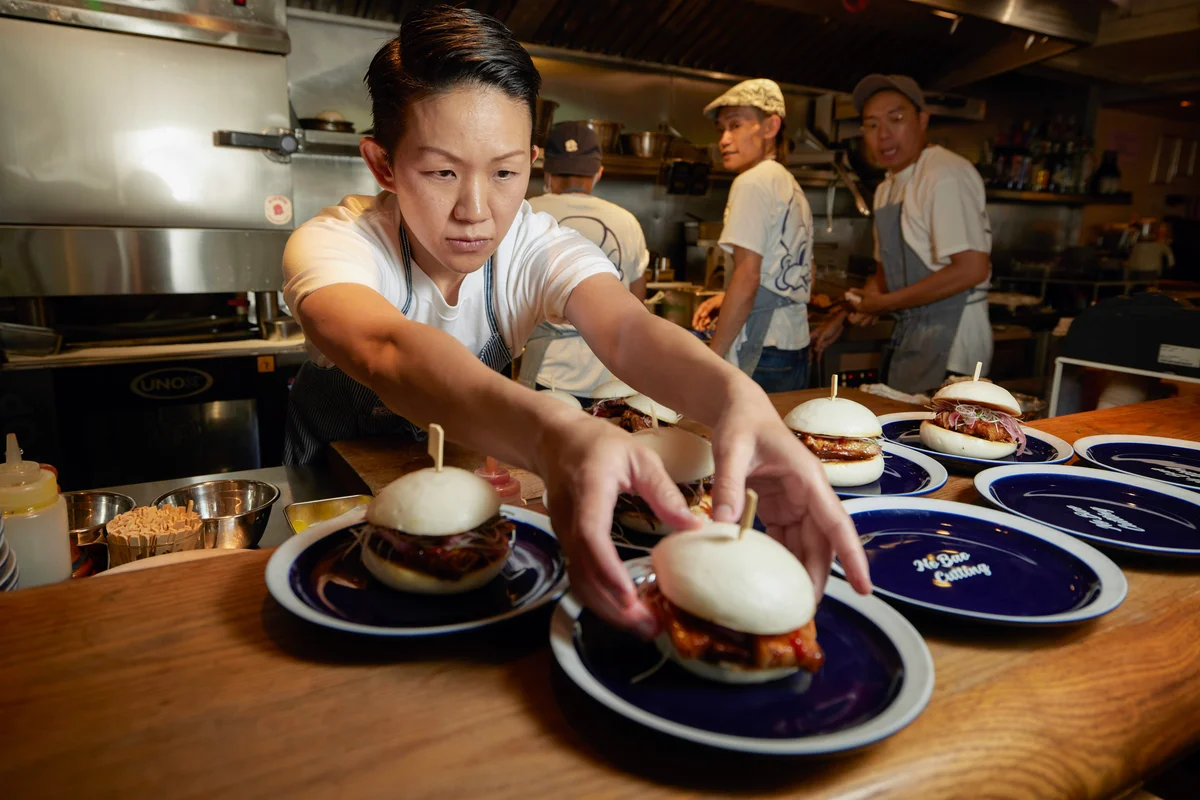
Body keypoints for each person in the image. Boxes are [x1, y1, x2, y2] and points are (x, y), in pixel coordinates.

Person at [280, 5, 870, 637]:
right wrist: (554, 432)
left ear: (532, 162)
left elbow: (626, 329)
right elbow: (388, 351)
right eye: (442, 172)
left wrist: (733, 399)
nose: (476, 211)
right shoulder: (335, 243)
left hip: (468, 503)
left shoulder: (534, 244)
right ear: (383, 165)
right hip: (334, 493)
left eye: (506, 173)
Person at [841, 74, 993, 394]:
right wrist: (851, 312)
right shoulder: (885, 188)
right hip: (914, 337)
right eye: (871, 125)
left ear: (922, 120)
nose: (883, 135)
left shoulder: (944, 174)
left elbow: (971, 268)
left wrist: (883, 304)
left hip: (954, 347)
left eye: (896, 119)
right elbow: (886, 273)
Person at [690, 79, 814, 393]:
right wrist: (725, 297)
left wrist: (713, 356)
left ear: (770, 126)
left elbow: (747, 276)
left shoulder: (752, 182)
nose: (724, 140)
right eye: (721, 129)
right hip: (793, 345)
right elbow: (800, 269)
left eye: (736, 125)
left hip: (763, 347)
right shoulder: (787, 183)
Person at [517, 121, 648, 398]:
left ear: (545, 170)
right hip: (611, 373)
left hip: (546, 373)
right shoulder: (627, 222)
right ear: (598, 173)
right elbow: (637, 303)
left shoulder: (525, 213)